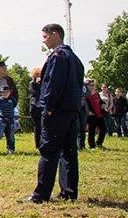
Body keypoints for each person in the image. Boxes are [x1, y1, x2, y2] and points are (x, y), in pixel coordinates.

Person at [22, 23, 83, 203]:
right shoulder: (74, 58)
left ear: (55, 35)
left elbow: (54, 84)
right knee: (69, 151)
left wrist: (48, 106)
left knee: (48, 151)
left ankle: (41, 194)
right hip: (71, 109)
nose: (44, 41)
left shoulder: (58, 56)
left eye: (45, 37)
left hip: (56, 110)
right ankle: (69, 191)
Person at [0, 85, 17, 153]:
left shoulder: (12, 99)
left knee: (11, 135)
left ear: (9, 93)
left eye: (7, 92)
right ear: (1, 93)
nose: (5, 94)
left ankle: (11, 148)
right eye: (4, 92)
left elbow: (14, 105)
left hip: (11, 119)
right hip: (2, 119)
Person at [85, 79, 107, 149]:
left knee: (103, 128)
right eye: (91, 85)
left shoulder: (96, 93)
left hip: (99, 114)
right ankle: (92, 146)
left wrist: (103, 104)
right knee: (92, 130)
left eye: (93, 85)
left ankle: (99, 143)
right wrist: (88, 111)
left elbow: (100, 101)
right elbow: (86, 104)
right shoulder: (87, 95)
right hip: (91, 115)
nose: (93, 87)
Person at [28, 67, 43, 148]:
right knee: (37, 126)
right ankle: (38, 144)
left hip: (42, 106)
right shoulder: (32, 84)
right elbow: (35, 92)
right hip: (35, 106)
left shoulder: (42, 84)